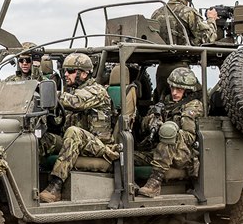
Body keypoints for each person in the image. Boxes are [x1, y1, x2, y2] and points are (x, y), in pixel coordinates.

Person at [39, 53, 119, 203]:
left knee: (73, 132)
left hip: (99, 145)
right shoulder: (73, 91)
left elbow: (76, 102)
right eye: (65, 71)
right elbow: (61, 118)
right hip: (75, 143)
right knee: (42, 138)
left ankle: (55, 186)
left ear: (83, 74)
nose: (66, 75)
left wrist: (46, 93)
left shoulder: (97, 91)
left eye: (70, 71)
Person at [138, 67, 203, 198]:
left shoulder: (192, 105)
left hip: (184, 154)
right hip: (162, 152)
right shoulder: (165, 102)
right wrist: (151, 121)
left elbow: (189, 137)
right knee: (132, 156)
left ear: (187, 91)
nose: (174, 92)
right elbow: (143, 125)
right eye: (172, 88)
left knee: (168, 133)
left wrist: (166, 129)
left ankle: (155, 182)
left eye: (179, 89)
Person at [151, 0, 218, 101]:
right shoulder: (188, 12)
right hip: (181, 72)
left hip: (161, 72)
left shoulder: (156, 13)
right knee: (202, 100)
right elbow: (209, 38)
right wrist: (211, 20)